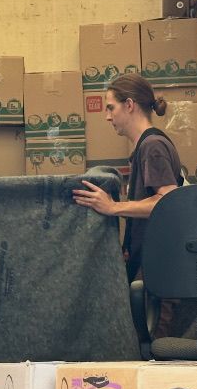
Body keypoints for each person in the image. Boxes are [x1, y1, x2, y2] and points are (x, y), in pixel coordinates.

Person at [72, 73, 183, 283]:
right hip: (152, 264)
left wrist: (113, 207)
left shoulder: (153, 147)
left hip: (162, 268)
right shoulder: (145, 146)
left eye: (111, 107)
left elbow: (169, 202)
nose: (107, 116)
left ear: (129, 105)